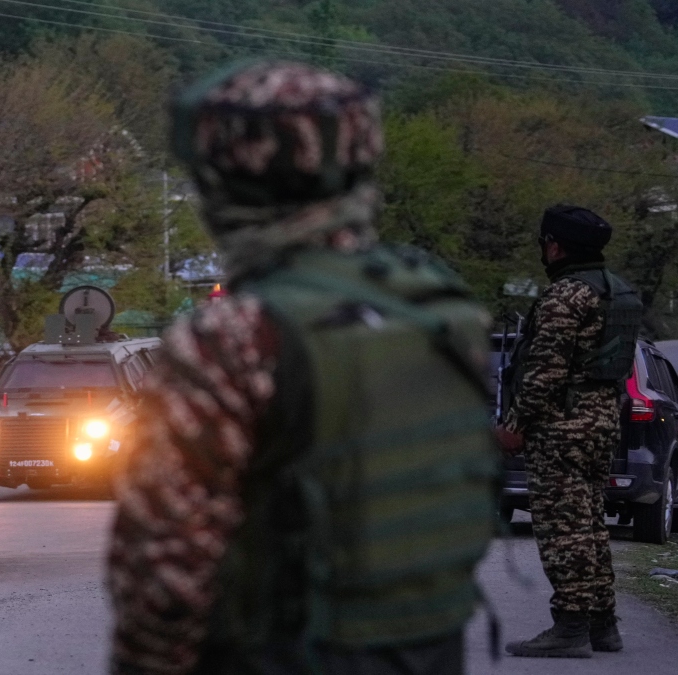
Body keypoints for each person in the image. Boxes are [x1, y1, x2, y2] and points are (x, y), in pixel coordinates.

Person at [107, 61, 500, 675]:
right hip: (430, 650)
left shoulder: (236, 335)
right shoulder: (438, 308)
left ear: (223, 177)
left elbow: (166, 573)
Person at [497, 205, 642, 658]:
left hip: (561, 426)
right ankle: (602, 624)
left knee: (564, 530)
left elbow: (545, 371)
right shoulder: (618, 293)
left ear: (554, 245)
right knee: (590, 525)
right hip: (600, 422)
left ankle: (571, 629)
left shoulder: (567, 296)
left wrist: (515, 425)